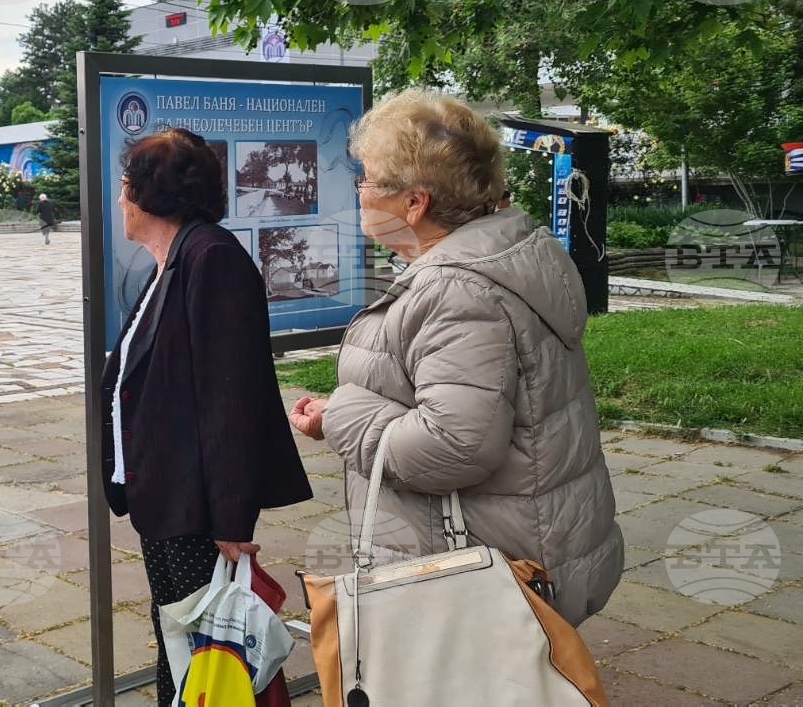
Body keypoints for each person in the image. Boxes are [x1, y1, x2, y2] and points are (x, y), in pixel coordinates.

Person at [288, 89, 624, 627]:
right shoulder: (504, 255)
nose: (359, 193)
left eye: (366, 180)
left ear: (413, 203)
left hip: (476, 578)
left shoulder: (456, 290)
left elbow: (452, 446)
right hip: (528, 541)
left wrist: (341, 415)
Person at [100, 128, 313, 705]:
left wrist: (232, 520)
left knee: (207, 651)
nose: (119, 198)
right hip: (164, 496)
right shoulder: (171, 260)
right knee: (181, 640)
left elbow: (230, 399)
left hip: (196, 509)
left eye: (125, 185)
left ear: (148, 193)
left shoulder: (212, 259)